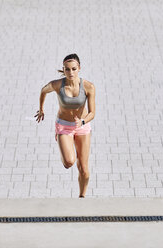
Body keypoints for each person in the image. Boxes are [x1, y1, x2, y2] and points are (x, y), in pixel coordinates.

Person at [35, 53, 96, 198]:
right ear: (63, 69)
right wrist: (41, 109)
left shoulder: (88, 86)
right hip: (63, 126)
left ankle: (82, 197)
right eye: (67, 69)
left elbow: (92, 113)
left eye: (74, 69)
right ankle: (62, 142)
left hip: (82, 126)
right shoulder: (57, 85)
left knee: (84, 169)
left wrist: (82, 121)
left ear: (79, 68)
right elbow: (43, 91)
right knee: (69, 162)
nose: (70, 73)